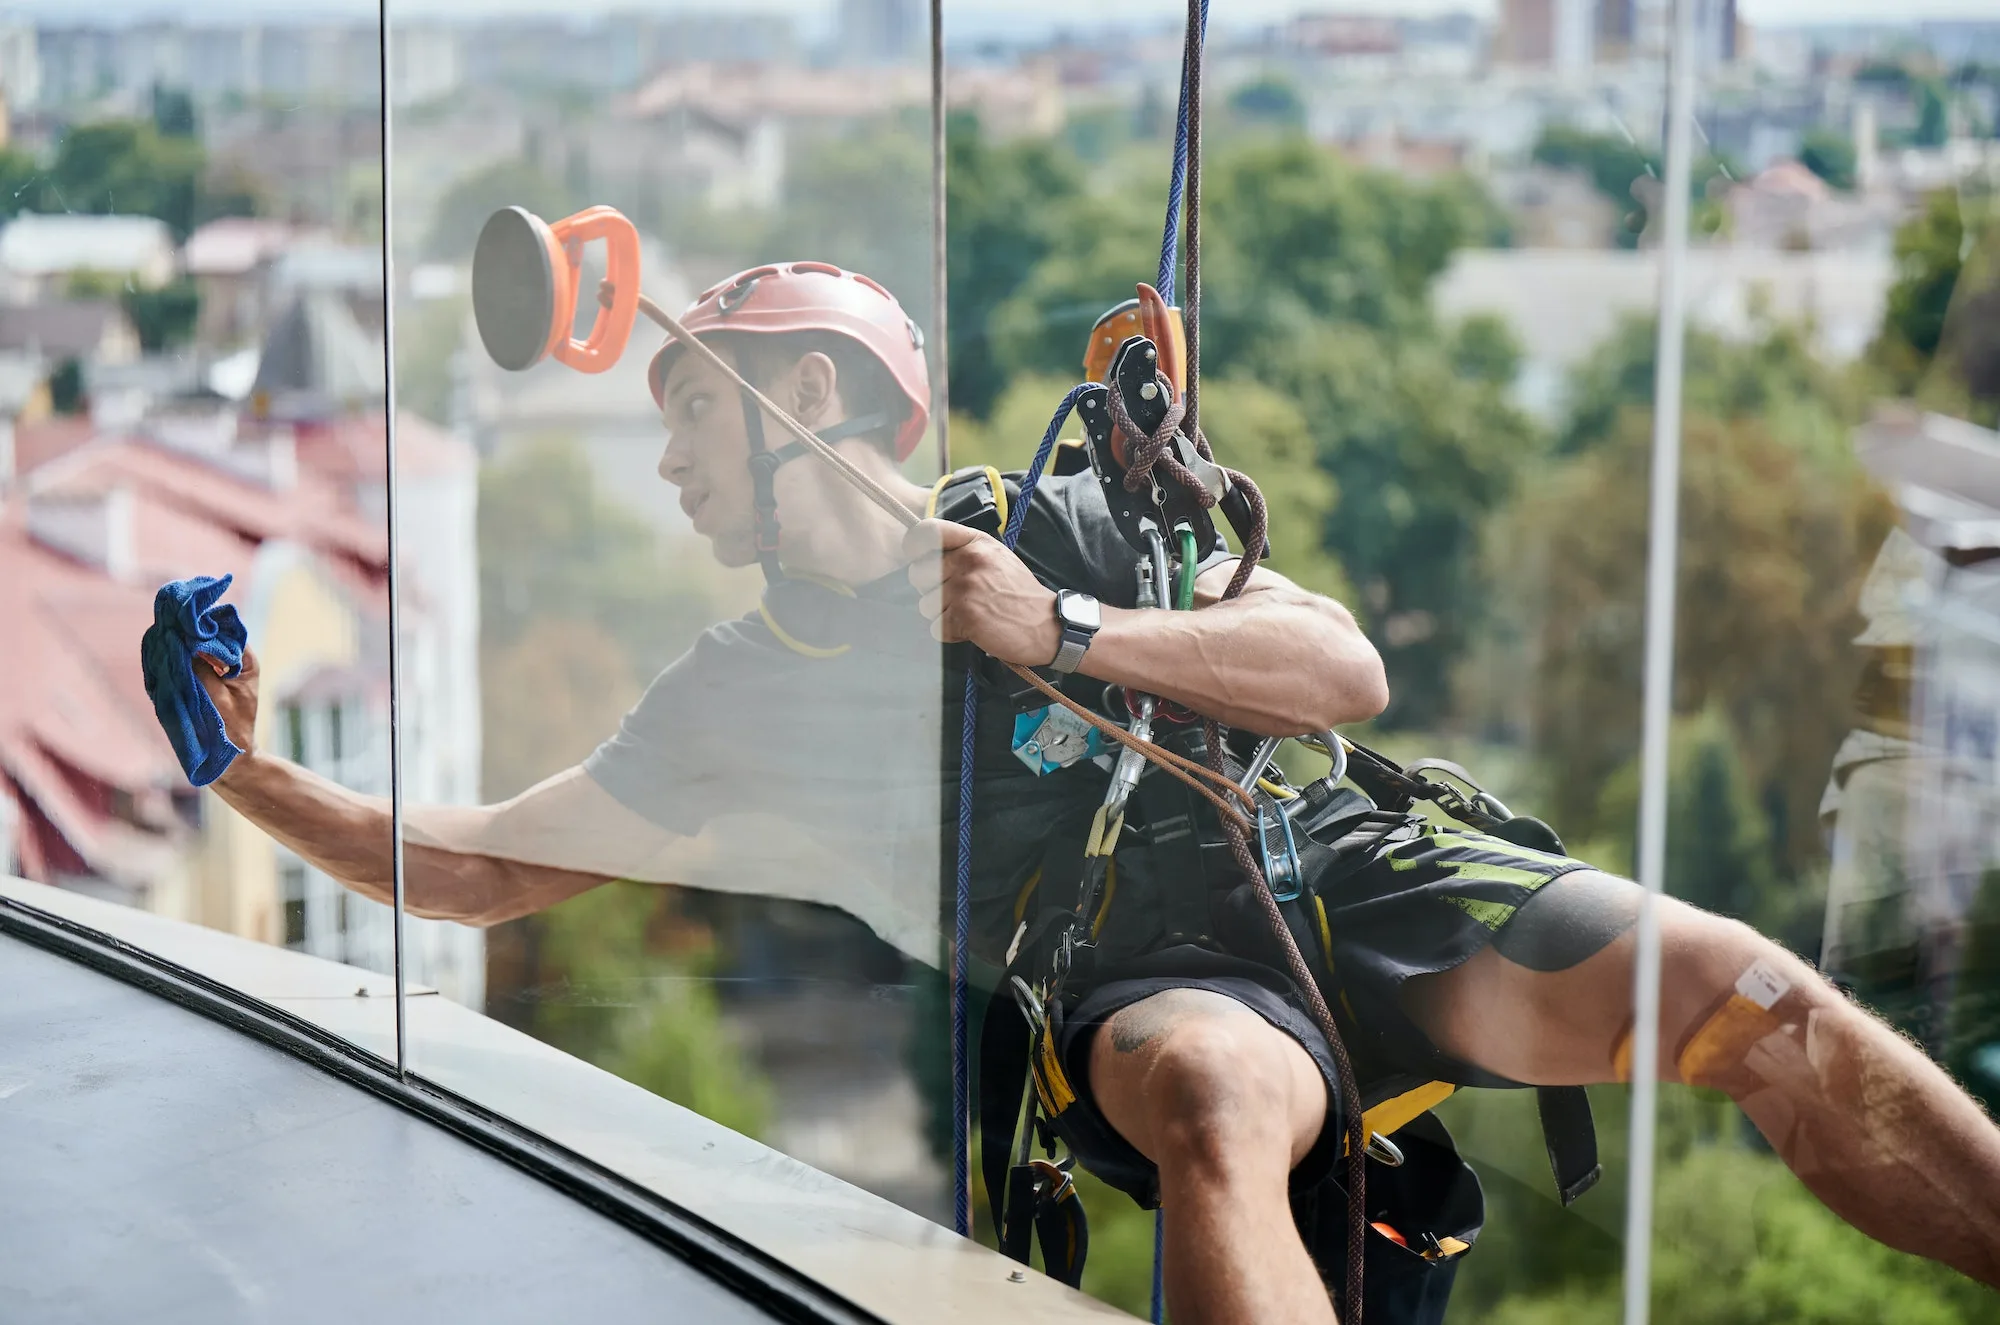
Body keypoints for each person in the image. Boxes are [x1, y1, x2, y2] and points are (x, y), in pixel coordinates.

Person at [183, 262, 2000, 1324]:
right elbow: (487, 870)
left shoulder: (1073, 517)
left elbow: (1340, 672)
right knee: (1218, 1100)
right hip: (1136, 976)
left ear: (799, 397)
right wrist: (250, 771)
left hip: (1338, 860)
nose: (666, 463)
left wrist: (1065, 622)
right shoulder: (739, 698)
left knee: (1755, 1001)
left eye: (687, 417)